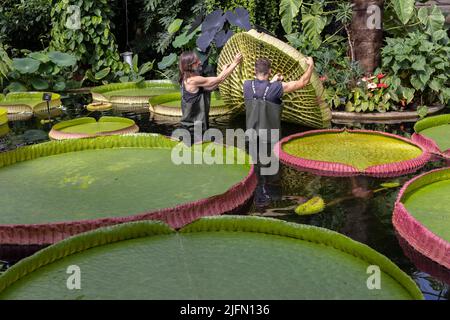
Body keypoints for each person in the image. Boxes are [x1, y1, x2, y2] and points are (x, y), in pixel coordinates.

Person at [243, 56, 315, 206]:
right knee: (271, 174)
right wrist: (310, 66)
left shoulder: (247, 85)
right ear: (269, 71)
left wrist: (274, 82)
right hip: (269, 141)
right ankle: (270, 193)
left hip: (251, 139)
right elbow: (303, 82)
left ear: (254, 71)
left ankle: (254, 195)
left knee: (252, 173)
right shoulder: (277, 88)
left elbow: (262, 90)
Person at [178, 51, 243, 142]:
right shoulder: (193, 80)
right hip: (192, 131)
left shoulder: (187, 77)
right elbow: (219, 79)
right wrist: (235, 63)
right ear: (190, 65)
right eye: (197, 61)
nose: (200, 62)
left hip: (196, 128)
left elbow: (214, 84)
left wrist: (224, 70)